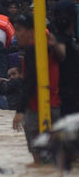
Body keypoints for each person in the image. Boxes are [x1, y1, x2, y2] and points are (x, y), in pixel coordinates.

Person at [12, 13, 61, 164]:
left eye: (19, 30)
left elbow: (30, 81)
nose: (16, 34)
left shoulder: (36, 49)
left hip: (39, 107)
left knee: (40, 160)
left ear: (31, 31)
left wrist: (20, 110)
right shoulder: (51, 44)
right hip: (57, 104)